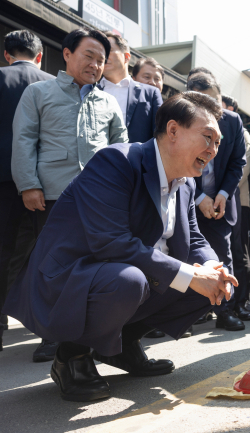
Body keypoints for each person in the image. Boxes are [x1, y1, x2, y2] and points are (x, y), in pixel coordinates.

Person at [2, 91, 238, 402]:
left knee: (215, 283)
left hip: (124, 275)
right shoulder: (117, 161)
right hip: (71, 279)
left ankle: (122, 347)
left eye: (218, 143)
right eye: (208, 138)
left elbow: (194, 237)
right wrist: (190, 276)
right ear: (172, 131)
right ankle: (72, 356)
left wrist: (210, 267)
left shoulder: (187, 183)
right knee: (131, 281)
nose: (213, 150)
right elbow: (110, 242)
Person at [11, 27, 127, 362]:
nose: (94, 64)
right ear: (66, 54)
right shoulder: (38, 92)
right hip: (53, 194)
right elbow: (23, 141)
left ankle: (90, 334)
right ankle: (51, 336)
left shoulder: (108, 101)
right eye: (88, 55)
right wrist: (29, 185)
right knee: (51, 267)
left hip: (99, 200)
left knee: (95, 267)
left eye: (101, 60)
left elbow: (122, 147)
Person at [0, 30, 55, 352]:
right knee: (45, 252)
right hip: (46, 183)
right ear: (38, 56)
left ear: (7, 55)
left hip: (3, 180)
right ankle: (49, 332)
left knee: (3, 251)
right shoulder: (51, 83)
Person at [186, 71, 249, 329]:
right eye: (204, 103)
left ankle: (225, 311)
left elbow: (238, 163)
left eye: (215, 101)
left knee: (223, 254)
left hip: (222, 201)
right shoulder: (184, 121)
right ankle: (187, 315)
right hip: (189, 199)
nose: (212, 108)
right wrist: (199, 197)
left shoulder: (233, 122)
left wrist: (222, 195)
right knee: (186, 256)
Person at [221, 94, 250, 316]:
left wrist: (221, 191)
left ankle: (241, 301)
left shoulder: (241, 131)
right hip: (211, 200)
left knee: (237, 251)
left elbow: (242, 169)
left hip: (236, 200)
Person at [100, 33, 162, 143]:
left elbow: (160, 136)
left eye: (108, 50)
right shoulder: (88, 90)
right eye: (101, 51)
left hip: (136, 159)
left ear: (126, 57)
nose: (103, 55)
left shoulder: (151, 93)